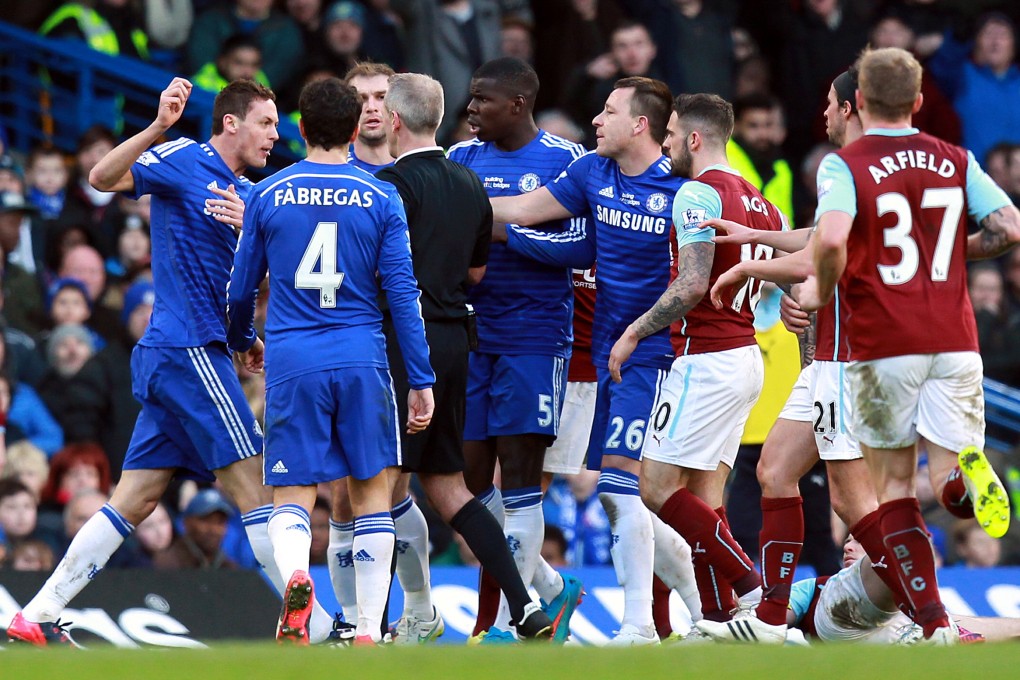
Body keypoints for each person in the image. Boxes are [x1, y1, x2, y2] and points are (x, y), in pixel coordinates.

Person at [6, 78, 330, 647]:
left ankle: (36, 612)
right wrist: (158, 126)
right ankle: (319, 628)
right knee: (254, 482)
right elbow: (101, 179)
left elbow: (243, 284)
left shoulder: (249, 194)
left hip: (195, 352)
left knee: (135, 496)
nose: (275, 136)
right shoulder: (183, 158)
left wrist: (245, 336)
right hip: (186, 351)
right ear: (232, 122)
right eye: (267, 123)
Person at [801, 46, 1020, 644]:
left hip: (884, 344)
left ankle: (932, 625)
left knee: (895, 490)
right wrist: (945, 254)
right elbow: (1008, 227)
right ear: (920, 101)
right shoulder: (956, 158)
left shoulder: (846, 163)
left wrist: (821, 290)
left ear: (862, 101)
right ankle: (957, 480)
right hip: (956, 339)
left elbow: (831, 242)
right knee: (945, 462)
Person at [489, 77, 700, 644]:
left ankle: (640, 625)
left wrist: (638, 334)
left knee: (619, 488)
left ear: (640, 125)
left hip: (658, 354)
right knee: (627, 494)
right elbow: (520, 211)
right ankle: (707, 609)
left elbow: (701, 278)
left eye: (609, 111)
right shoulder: (591, 174)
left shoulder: (683, 190)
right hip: (609, 356)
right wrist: (447, 208)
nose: (596, 120)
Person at [225, 77, 435, 646]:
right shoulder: (381, 196)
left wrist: (244, 336)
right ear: (352, 129)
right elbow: (402, 293)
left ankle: (298, 579)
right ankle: (368, 627)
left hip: (294, 358)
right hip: (362, 357)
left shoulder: (268, 194)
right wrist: (420, 378)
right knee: (370, 490)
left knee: (294, 491)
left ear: (298, 128)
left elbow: (242, 287)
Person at [698, 67, 881, 644]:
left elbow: (820, 255)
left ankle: (932, 616)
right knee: (776, 472)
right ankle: (773, 620)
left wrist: (755, 267)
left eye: (829, 103)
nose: (821, 114)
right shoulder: (870, 169)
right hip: (827, 354)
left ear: (851, 107)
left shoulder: (846, 167)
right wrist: (748, 238)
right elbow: (817, 239)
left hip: (852, 356)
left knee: (855, 504)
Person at [372, 71, 554, 644]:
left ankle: (373, 624)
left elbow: (378, 271)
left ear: (394, 121)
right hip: (457, 340)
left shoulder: (389, 186)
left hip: (405, 339)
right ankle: (525, 608)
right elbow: (477, 271)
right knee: (449, 485)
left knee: (378, 482)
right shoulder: (471, 183)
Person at [605, 92, 786, 640]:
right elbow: (777, 296)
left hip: (705, 358)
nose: (663, 143)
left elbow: (692, 283)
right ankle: (717, 618)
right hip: (747, 357)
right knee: (707, 502)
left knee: (655, 487)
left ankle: (755, 591)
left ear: (693, 138)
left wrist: (633, 333)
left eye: (670, 133)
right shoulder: (765, 205)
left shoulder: (697, 194)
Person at [447, 57, 581, 643]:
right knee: (470, 479)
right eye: (471, 99)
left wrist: (502, 231)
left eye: (482, 99)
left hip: (534, 334)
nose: (471, 109)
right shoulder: (459, 161)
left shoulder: (565, 160)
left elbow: (583, 245)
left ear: (518, 104)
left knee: (522, 474)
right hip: (471, 335)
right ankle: (550, 589)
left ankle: (512, 618)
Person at [786, 535, 1020, 644]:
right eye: (848, 541)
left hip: (900, 637)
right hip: (843, 627)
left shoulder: (920, 611)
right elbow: (773, 617)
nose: (847, 546)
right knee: (896, 543)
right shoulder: (817, 587)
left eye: (859, 541)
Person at [344, 62, 396, 173]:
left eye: (381, 97)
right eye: (361, 99)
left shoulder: (421, 171)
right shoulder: (333, 173)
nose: (371, 107)